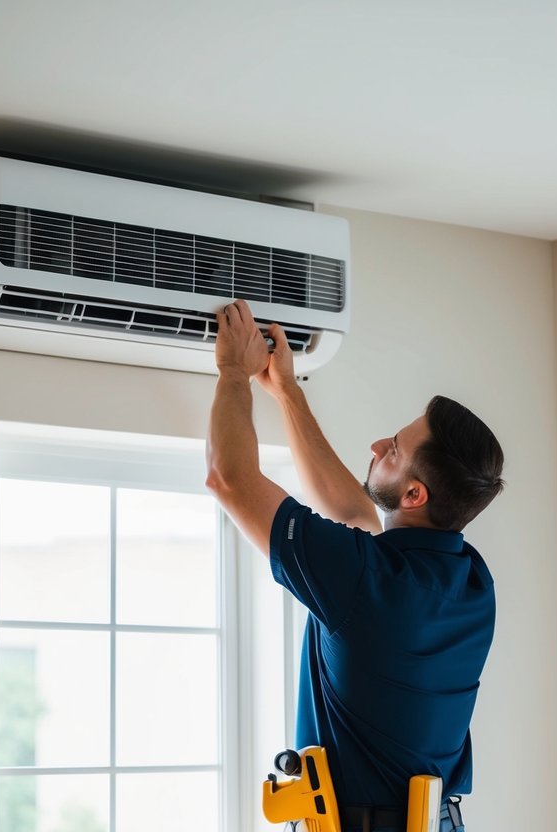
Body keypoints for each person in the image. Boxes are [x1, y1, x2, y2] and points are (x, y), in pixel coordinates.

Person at [205, 300, 504, 832]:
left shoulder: (366, 581)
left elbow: (230, 479)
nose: (376, 446)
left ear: (414, 493)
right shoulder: (472, 581)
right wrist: (287, 392)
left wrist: (233, 373)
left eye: (392, 449)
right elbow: (355, 516)